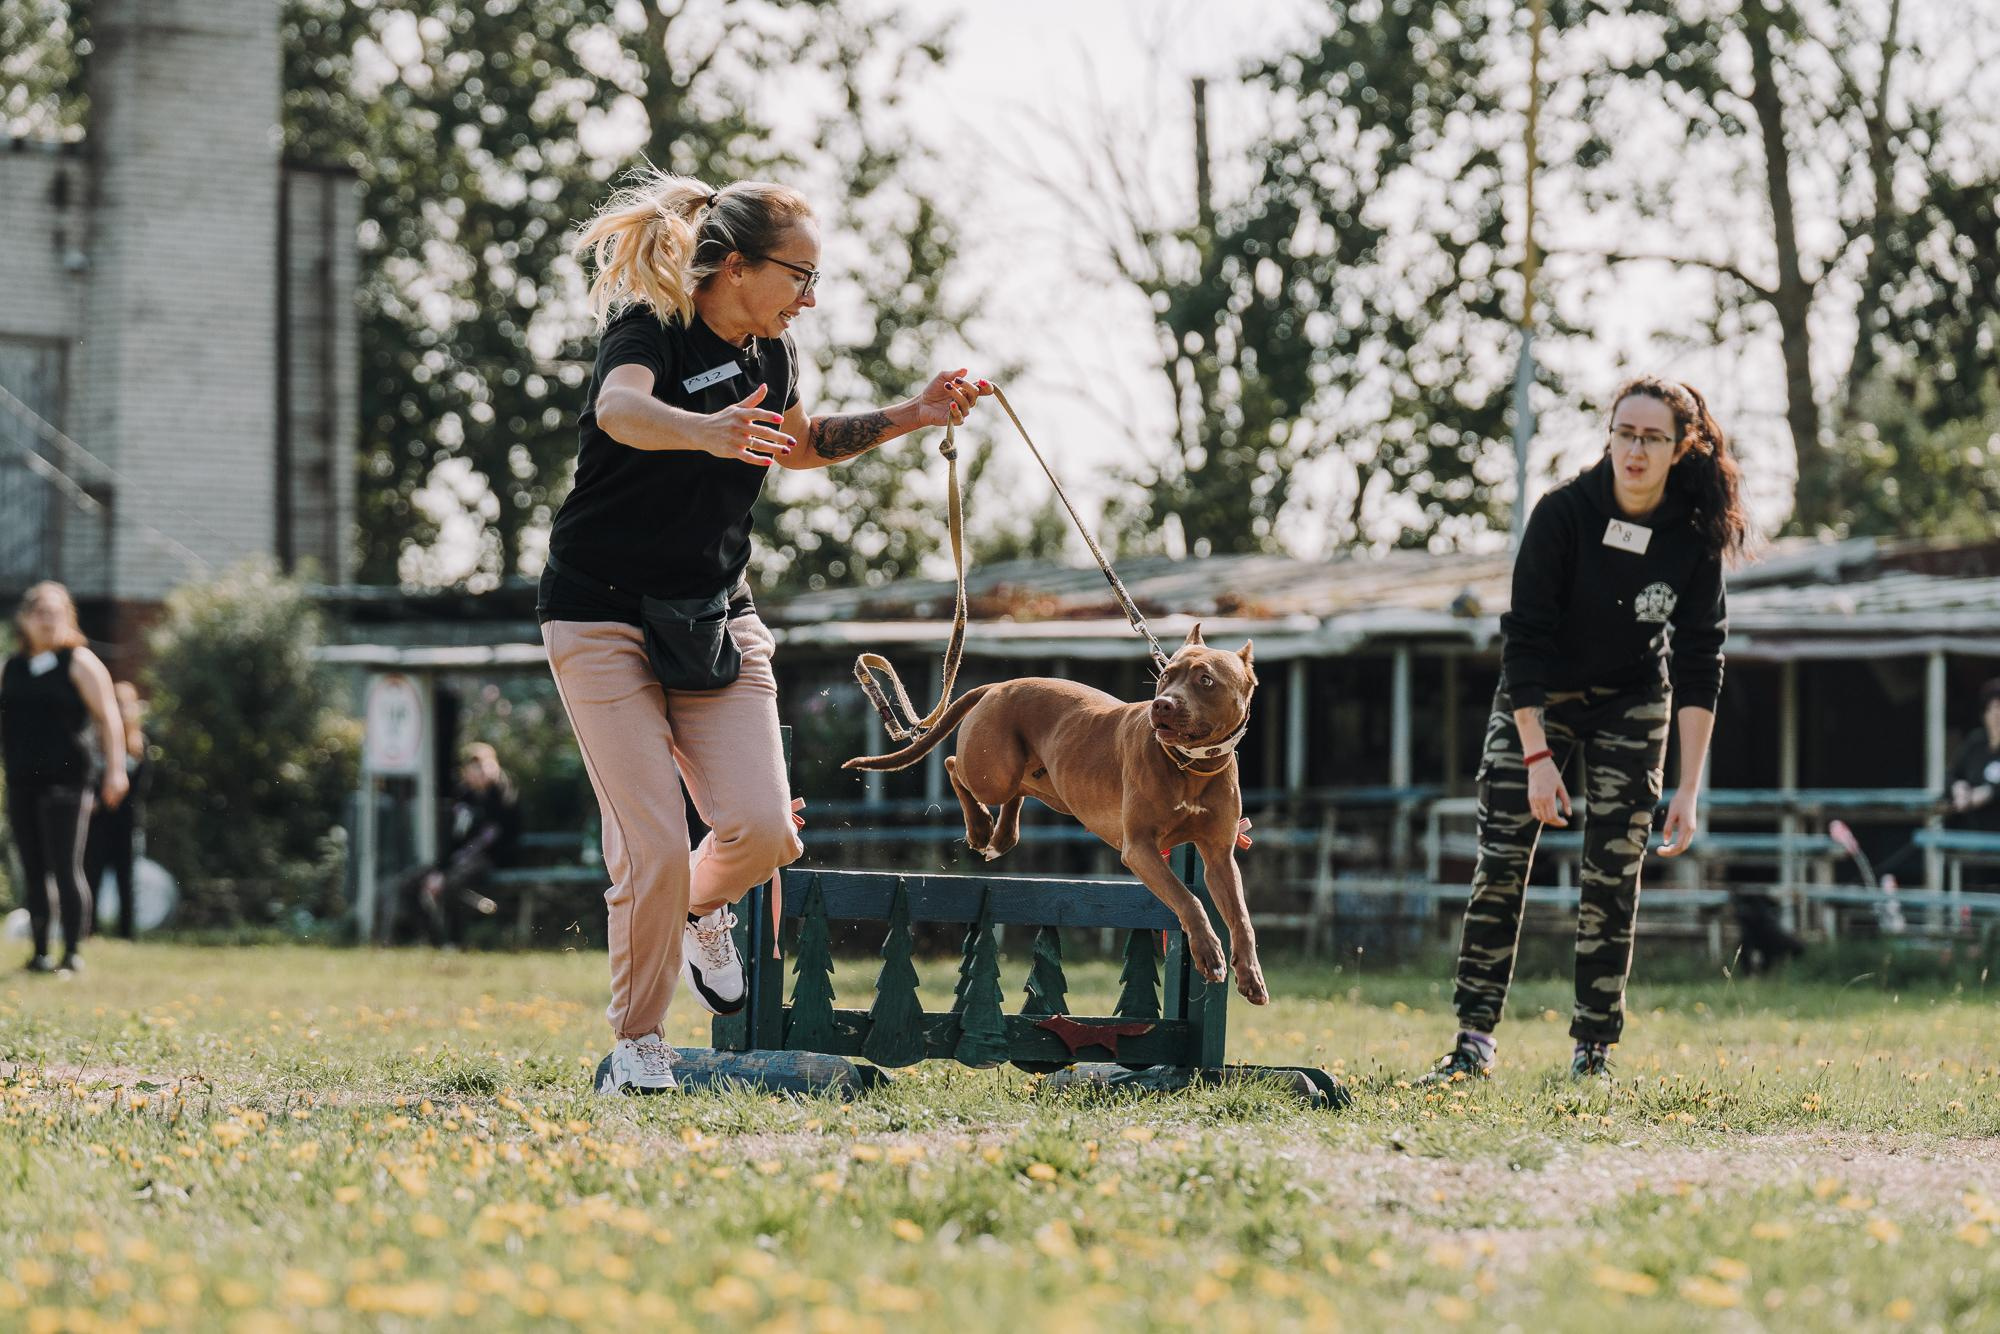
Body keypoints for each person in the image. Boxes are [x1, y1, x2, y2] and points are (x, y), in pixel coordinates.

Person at [542, 169, 992, 1094]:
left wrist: (915, 414)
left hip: (714, 615)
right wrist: (702, 431)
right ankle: (639, 1046)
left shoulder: (772, 353)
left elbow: (801, 442)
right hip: (600, 614)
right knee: (652, 844)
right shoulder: (651, 326)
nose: (810, 298)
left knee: (763, 834)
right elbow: (619, 410)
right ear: (736, 266)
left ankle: (697, 908)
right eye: (800, 276)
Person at [1421, 376, 1747, 1083]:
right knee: (1501, 861)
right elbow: (1524, 642)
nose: (1635, 449)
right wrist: (1537, 757)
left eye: (1652, 437)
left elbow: (1701, 662)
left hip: (1633, 698)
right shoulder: (1564, 513)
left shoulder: (1693, 537)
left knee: (1614, 873)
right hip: (1540, 697)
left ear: (1681, 447)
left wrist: (1688, 789)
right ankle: (1472, 1042)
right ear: (1610, 436)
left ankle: (1593, 1049)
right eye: (1624, 433)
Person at [0, 583, 129, 974]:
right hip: (22, 779)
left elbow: (109, 718)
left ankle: (71, 953)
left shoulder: (79, 661)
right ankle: (39, 954)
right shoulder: (12, 666)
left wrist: (116, 769)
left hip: (67, 780)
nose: (48, 621)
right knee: (32, 868)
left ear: (68, 618)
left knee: (66, 866)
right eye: (40, 613)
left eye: (55, 613)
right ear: (25, 619)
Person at [415, 742, 521, 947]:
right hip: (464, 859)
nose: (482, 772)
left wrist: (448, 871)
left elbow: (490, 839)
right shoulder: (464, 797)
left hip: (494, 857)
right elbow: (454, 839)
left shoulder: (504, 793)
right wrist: (440, 870)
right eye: (475, 768)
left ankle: (455, 941)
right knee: (413, 883)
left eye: (485, 766)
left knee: (452, 883)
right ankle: (433, 940)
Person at [85, 681, 151, 940]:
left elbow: (141, 786)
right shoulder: (95, 742)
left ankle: (127, 933)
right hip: (97, 820)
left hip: (127, 820)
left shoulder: (140, 745)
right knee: (92, 874)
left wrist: (109, 799)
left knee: (127, 878)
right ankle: (89, 929)